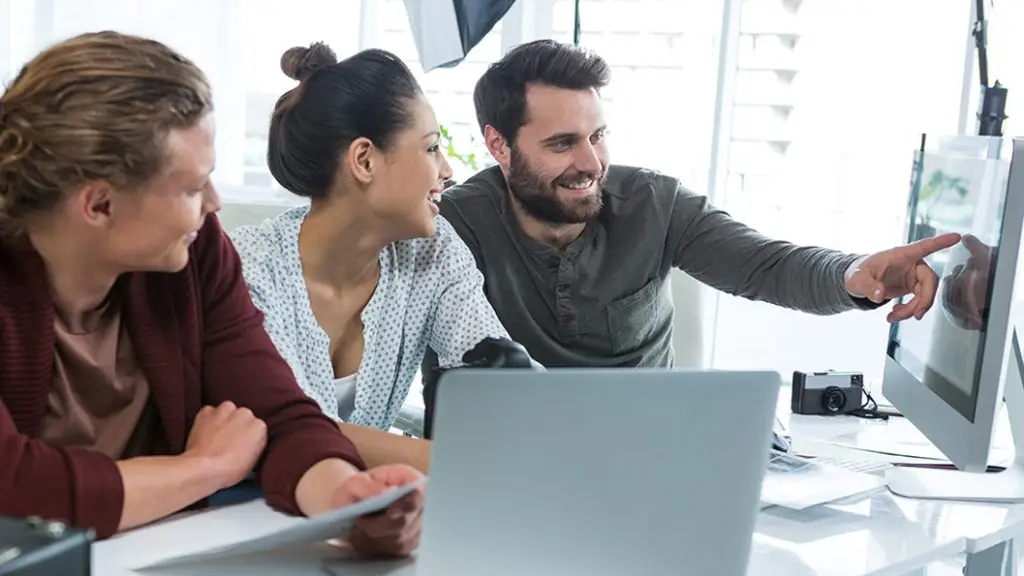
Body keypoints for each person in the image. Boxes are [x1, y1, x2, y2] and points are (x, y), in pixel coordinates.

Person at [0, 31, 422, 555]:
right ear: (98, 205)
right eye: (192, 187)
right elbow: (15, 488)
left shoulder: (194, 252)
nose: (214, 203)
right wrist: (203, 467)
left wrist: (346, 497)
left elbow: (277, 409)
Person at [434, 39, 961, 369]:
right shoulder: (453, 224)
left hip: (645, 461)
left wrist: (855, 275)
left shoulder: (653, 204)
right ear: (499, 145)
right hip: (499, 467)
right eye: (562, 143)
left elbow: (767, 266)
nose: (591, 162)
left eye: (598, 136)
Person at [228, 43, 515, 473]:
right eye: (432, 147)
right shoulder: (248, 268)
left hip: (368, 514)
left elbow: (500, 375)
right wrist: (463, 462)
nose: (448, 170)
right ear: (364, 160)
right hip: (244, 511)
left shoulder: (433, 251)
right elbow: (289, 429)